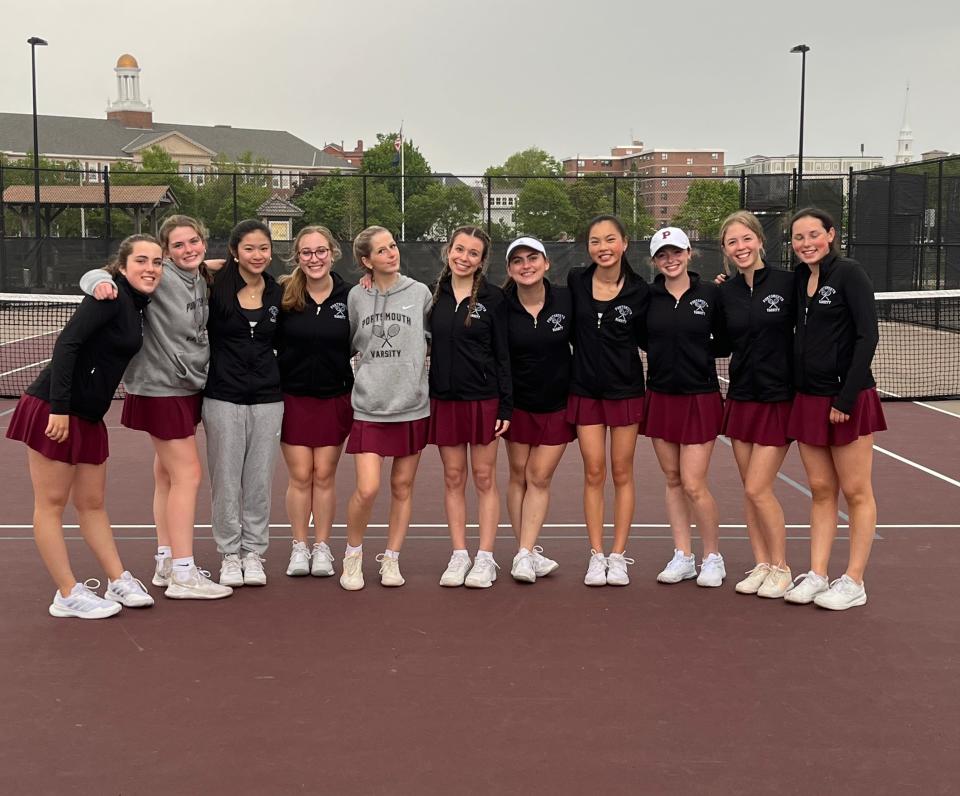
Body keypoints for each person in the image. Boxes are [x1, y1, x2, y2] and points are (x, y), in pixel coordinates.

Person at [6, 235, 161, 618]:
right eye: (141, 260)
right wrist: (59, 409)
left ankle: (117, 579)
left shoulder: (137, 303)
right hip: (54, 410)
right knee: (51, 504)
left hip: (90, 417)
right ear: (122, 267)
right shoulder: (107, 298)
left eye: (157, 262)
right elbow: (66, 345)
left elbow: (191, 266)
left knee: (92, 504)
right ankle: (67, 594)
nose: (151, 268)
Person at [79, 216, 232, 600]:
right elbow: (101, 272)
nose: (188, 249)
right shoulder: (157, 276)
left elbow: (225, 263)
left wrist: (216, 262)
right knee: (188, 475)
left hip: (187, 383)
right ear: (164, 252)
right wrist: (97, 282)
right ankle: (184, 571)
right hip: (160, 385)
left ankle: (166, 560)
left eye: (193, 241)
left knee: (167, 475)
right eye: (177, 246)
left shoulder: (199, 274)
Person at [784, 208, 885, 610]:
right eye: (798, 237)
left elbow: (868, 335)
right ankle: (818, 573)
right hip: (808, 398)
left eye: (813, 235)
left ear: (831, 235)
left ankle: (854, 580)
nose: (806, 243)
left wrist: (846, 397)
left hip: (847, 400)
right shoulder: (798, 279)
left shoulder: (849, 273)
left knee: (857, 492)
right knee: (822, 490)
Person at [340, 226, 433, 590]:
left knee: (403, 487)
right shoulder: (356, 297)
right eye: (381, 251)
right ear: (366, 261)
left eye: (392, 246)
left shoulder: (420, 293)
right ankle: (353, 555)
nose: (391, 253)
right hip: (369, 406)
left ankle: (391, 559)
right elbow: (347, 343)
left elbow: (434, 337)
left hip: (411, 405)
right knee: (367, 488)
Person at [716, 211, 795, 598]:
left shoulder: (789, 283)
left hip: (778, 398)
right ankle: (762, 563)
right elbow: (719, 341)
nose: (741, 247)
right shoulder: (725, 291)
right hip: (742, 397)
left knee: (759, 488)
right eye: (733, 242)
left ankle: (782, 567)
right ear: (725, 250)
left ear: (760, 241)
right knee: (749, 488)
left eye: (746, 239)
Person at [429, 226, 513, 589]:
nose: (464, 257)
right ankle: (459, 553)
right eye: (458, 249)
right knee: (453, 477)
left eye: (473, 253)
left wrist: (505, 407)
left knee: (483, 478)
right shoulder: (434, 298)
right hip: (444, 400)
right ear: (449, 251)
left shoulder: (494, 299)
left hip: (483, 400)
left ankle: (485, 557)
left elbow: (503, 356)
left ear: (482, 261)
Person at [566, 215, 647, 586]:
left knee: (621, 471)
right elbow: (528, 294)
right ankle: (596, 555)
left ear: (624, 243)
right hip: (585, 390)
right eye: (595, 241)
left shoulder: (640, 290)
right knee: (594, 471)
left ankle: (618, 555)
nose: (603, 247)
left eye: (610, 239)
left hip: (625, 391)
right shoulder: (575, 282)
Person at [203, 219, 284, 588]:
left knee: (258, 480)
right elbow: (172, 270)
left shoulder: (279, 291)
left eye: (263, 248)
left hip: (268, 399)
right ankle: (229, 554)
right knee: (225, 479)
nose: (257, 255)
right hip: (222, 397)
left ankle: (253, 553)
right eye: (249, 248)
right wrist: (208, 266)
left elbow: (330, 288)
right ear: (234, 251)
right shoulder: (213, 285)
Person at [644, 227, 726, 588]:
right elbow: (640, 338)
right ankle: (683, 556)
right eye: (662, 254)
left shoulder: (711, 293)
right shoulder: (648, 297)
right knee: (673, 480)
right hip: (661, 396)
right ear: (654, 260)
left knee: (694, 483)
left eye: (676, 252)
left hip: (700, 395)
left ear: (690, 253)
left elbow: (725, 341)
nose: (670, 259)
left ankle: (713, 557)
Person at [276, 225, 354, 580]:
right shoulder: (284, 294)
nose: (314, 258)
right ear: (297, 257)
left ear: (333, 252)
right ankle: (299, 546)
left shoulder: (352, 296)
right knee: (300, 475)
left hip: (335, 397)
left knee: (324, 475)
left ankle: (322, 547)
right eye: (306, 252)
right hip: (292, 397)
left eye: (320, 251)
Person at [501, 237, 574, 583]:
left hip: (559, 404)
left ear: (546, 263)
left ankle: (525, 553)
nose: (526, 265)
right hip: (517, 406)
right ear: (509, 270)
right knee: (518, 475)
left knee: (538, 476)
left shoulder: (567, 298)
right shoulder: (500, 305)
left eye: (532, 258)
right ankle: (525, 553)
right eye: (518, 261)